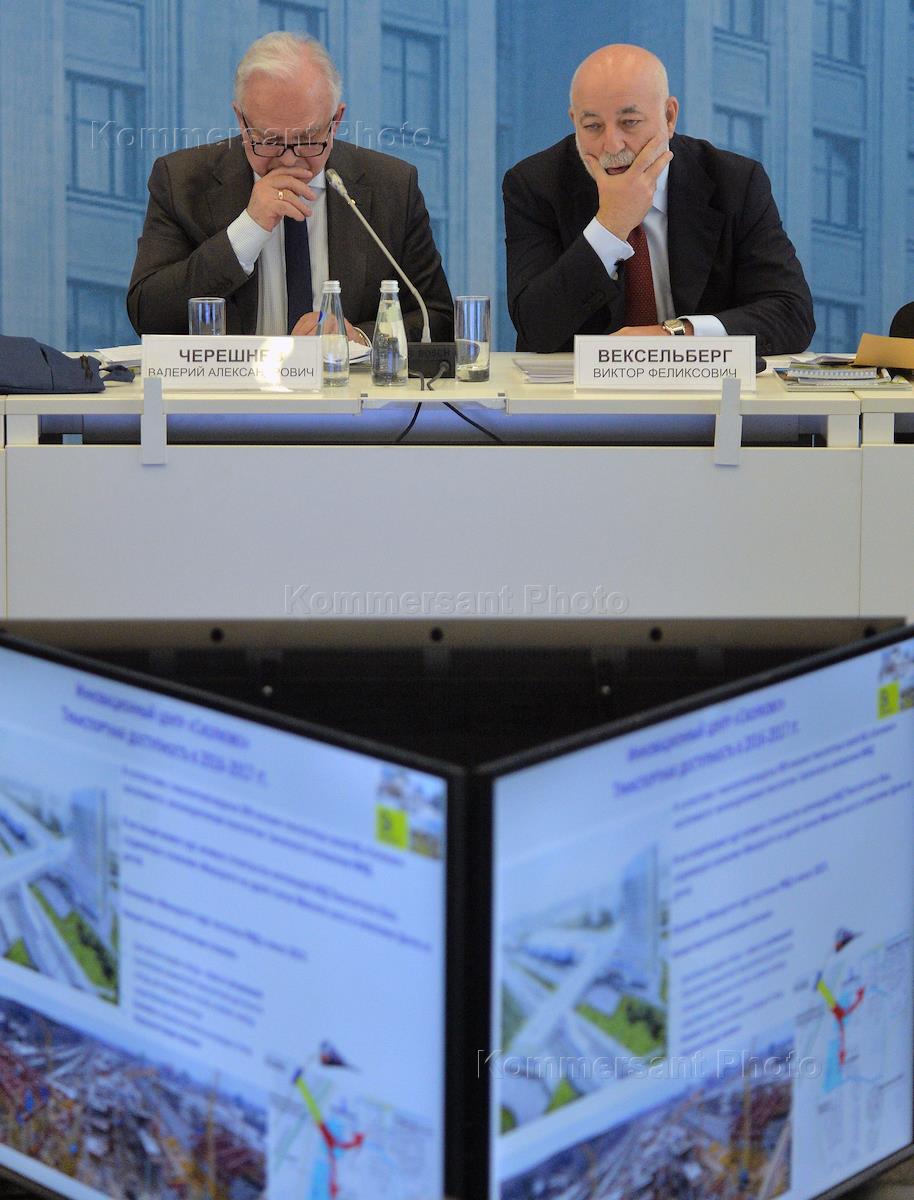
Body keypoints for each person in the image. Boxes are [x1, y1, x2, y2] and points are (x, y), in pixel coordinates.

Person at [127, 32, 453, 342]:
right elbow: (148, 316)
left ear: (336, 120)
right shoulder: (182, 181)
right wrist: (247, 230)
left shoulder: (391, 186)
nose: (288, 159)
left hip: (343, 382)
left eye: (307, 139)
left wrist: (362, 339)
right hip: (235, 383)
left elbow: (436, 319)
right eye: (269, 140)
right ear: (241, 120)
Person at [503, 44, 815, 356]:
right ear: (574, 121)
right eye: (593, 126)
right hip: (578, 387)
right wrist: (610, 226)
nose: (612, 145)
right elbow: (536, 328)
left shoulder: (734, 182)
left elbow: (791, 313)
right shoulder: (536, 185)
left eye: (629, 122)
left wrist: (675, 335)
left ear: (669, 116)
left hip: (706, 384)